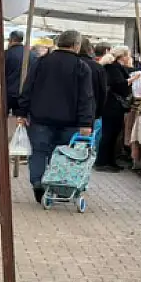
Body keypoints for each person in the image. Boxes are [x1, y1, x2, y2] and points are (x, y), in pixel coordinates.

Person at [17, 30, 97, 205]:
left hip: (40, 118)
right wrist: (86, 122)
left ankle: (37, 183)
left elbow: (27, 88)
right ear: (76, 46)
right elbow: (86, 97)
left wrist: (22, 113)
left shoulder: (41, 62)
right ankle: (58, 186)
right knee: (63, 155)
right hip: (69, 121)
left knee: (38, 152)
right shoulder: (82, 66)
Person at [97, 47, 138, 171]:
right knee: (109, 134)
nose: (129, 58)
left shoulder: (117, 67)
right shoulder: (113, 67)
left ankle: (110, 161)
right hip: (112, 106)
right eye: (128, 56)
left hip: (115, 106)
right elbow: (119, 85)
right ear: (123, 56)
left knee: (114, 134)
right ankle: (102, 162)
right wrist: (132, 80)